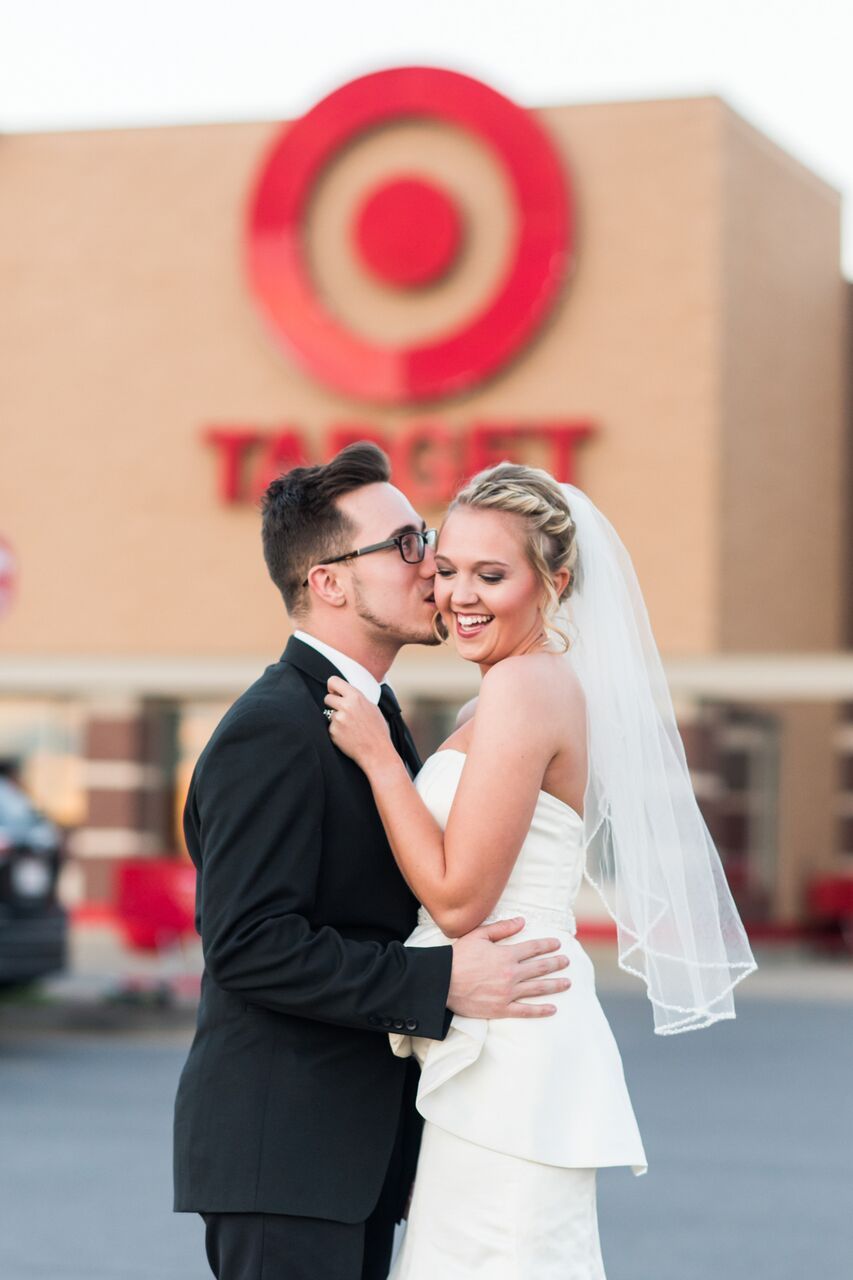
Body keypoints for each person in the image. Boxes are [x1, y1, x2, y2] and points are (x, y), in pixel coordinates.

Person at [326, 461, 757, 1279]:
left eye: (491, 575)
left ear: (553, 582)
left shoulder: (528, 686)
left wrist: (381, 759)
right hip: (493, 1037)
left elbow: (458, 901)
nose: (460, 596)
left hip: (514, 1052)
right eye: (446, 570)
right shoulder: (501, 696)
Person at [172, 444, 572, 1280]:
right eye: (404, 546)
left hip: (352, 1157)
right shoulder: (273, 729)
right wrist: (439, 983)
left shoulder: (370, 717)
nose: (431, 568)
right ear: (329, 582)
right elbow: (248, 944)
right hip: (285, 1157)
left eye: (422, 537)